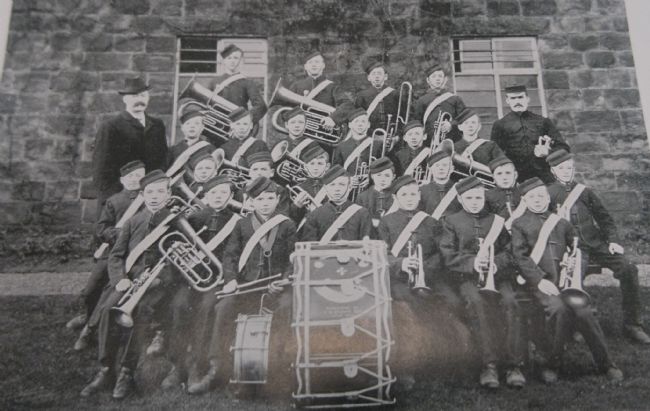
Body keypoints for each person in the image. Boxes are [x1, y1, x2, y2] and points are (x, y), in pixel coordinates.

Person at [511, 177, 625, 383]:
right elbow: (520, 257)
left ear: (548, 198)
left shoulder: (562, 223)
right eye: (532, 197)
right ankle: (552, 364)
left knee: (584, 310)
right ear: (525, 201)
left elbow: (577, 250)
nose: (538, 200)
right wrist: (538, 280)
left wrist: (573, 274)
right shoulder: (519, 224)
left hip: (564, 283)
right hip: (539, 285)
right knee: (559, 309)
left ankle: (606, 363)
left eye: (541, 196)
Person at [194, 177, 296, 394]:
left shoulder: (287, 224)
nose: (265, 203)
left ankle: (278, 371)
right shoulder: (242, 224)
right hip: (246, 285)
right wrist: (230, 279)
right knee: (223, 308)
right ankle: (217, 369)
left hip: (277, 287)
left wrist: (285, 280)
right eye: (260, 199)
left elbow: (292, 259)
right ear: (251, 201)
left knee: (288, 309)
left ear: (278, 199)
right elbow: (230, 256)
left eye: (270, 198)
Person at [81, 170, 176, 399]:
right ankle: (106, 370)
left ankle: (126, 371)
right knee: (105, 310)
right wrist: (120, 279)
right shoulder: (133, 221)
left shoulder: (175, 222)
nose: (154, 196)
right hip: (128, 281)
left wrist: (162, 279)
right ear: (142, 195)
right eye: (149, 192)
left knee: (141, 312)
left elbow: (180, 259)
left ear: (168, 194)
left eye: (160, 192)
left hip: (158, 284)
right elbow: (116, 256)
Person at [545, 149, 650, 344]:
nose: (567, 171)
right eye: (562, 168)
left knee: (629, 269)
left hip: (596, 243)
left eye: (570, 167)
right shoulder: (548, 194)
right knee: (574, 282)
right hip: (572, 248)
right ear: (553, 171)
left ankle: (633, 324)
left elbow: (605, 219)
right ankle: (576, 326)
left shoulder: (584, 192)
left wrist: (613, 241)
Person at [439, 176, 525, 389]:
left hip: (497, 277)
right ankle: (489, 365)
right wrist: (472, 263)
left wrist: (496, 263)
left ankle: (514, 365)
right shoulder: (451, 221)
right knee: (476, 304)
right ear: (460, 198)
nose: (475, 201)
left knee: (511, 302)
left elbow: (510, 252)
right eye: (469, 198)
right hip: (467, 278)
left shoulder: (496, 220)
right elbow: (447, 255)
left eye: (479, 197)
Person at [165, 175, 241, 393]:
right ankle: (177, 366)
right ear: (205, 195)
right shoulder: (194, 218)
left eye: (223, 193)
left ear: (230, 196)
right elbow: (176, 251)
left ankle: (198, 366)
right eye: (214, 193)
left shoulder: (235, 221)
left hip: (216, 281)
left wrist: (226, 279)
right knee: (179, 305)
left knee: (206, 309)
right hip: (190, 280)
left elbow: (234, 255)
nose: (218, 197)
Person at [68, 161, 146, 351]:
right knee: (90, 290)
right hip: (113, 252)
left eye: (139, 176)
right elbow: (102, 228)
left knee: (109, 295)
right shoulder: (114, 201)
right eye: (130, 177)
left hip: (134, 254)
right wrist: (118, 234)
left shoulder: (149, 199)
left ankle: (89, 330)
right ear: (122, 180)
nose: (134, 180)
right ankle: (88, 316)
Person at [92, 76, 168, 211]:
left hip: (150, 198)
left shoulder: (157, 125)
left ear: (148, 98)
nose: (139, 100)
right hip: (120, 197)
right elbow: (101, 168)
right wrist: (113, 200)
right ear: (125, 99)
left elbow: (162, 160)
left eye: (143, 95)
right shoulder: (110, 126)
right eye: (134, 96)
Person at [377, 175, 442, 301]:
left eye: (413, 194)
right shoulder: (386, 222)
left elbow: (440, 253)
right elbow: (382, 254)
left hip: (429, 277)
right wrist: (401, 263)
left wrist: (424, 267)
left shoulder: (431, 221)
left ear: (419, 195)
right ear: (395, 197)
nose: (409, 199)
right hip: (397, 278)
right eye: (404, 195)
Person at [490, 85, 570, 183]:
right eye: (513, 98)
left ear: (527, 99)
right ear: (507, 100)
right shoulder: (500, 125)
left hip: (544, 177)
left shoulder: (543, 122)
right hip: (515, 179)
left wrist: (548, 152)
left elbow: (564, 148)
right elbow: (495, 155)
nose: (517, 101)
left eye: (520, 97)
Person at [208, 44, 267, 137]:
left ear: (240, 60)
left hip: (239, 129)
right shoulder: (214, 82)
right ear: (224, 60)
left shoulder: (247, 82)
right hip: (218, 127)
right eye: (229, 58)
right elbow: (206, 105)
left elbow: (261, 105)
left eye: (235, 58)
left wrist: (246, 119)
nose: (232, 61)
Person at [301, 165, 373, 242]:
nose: (337, 189)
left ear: (349, 187)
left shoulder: (362, 213)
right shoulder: (314, 215)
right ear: (325, 188)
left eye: (341, 184)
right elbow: (310, 248)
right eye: (332, 185)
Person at [288, 50, 354, 132]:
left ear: (323, 65)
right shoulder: (296, 86)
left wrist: (333, 119)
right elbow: (285, 110)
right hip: (300, 136)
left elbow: (347, 105)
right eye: (310, 62)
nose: (314, 65)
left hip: (324, 133)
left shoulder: (332, 87)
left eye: (317, 62)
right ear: (305, 66)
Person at [331, 108, 382, 200]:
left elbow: (382, 169)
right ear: (350, 125)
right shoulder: (341, 146)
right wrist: (348, 178)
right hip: (347, 191)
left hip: (369, 192)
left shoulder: (377, 145)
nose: (360, 124)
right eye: (356, 121)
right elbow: (335, 170)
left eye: (363, 121)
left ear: (368, 125)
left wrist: (370, 178)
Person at [355, 59, 405, 143]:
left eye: (379, 73)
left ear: (385, 77)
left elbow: (403, 116)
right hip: (370, 138)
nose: (376, 76)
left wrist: (397, 136)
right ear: (368, 78)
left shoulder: (395, 94)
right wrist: (374, 137)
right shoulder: (362, 95)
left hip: (392, 138)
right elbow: (358, 120)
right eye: (373, 74)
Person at [414, 64, 466, 144]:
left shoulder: (455, 99)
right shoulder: (422, 100)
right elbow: (417, 123)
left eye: (440, 76)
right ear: (428, 80)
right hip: (429, 142)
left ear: (445, 79)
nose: (437, 79)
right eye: (434, 76)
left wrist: (451, 124)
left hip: (452, 141)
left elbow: (464, 118)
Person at [288, 142, 331, 228]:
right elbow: (291, 219)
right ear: (305, 167)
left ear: (327, 166)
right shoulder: (299, 188)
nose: (315, 167)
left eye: (320, 163)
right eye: (312, 163)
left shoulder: (332, 186)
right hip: (305, 231)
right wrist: (296, 206)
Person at [418, 150, 462, 219]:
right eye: (437, 165)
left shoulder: (460, 189)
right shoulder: (422, 190)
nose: (441, 168)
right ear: (430, 169)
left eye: (444, 165)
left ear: (451, 169)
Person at [485, 156, 525, 231]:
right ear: (493, 177)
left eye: (508, 173)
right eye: (499, 174)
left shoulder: (525, 192)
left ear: (515, 175)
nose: (504, 177)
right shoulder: (487, 196)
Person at [355, 157, 396, 228]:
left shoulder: (397, 197)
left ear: (393, 177)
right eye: (379, 175)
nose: (382, 179)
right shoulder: (362, 197)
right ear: (372, 176)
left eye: (387, 176)